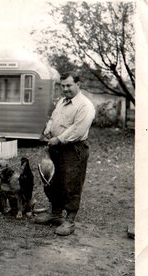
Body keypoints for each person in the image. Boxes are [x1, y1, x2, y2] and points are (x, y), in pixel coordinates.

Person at [34, 71, 96, 236]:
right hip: (56, 147)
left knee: (71, 183)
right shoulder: (62, 101)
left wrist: (59, 139)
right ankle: (55, 213)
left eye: (69, 85)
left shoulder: (85, 105)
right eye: (63, 86)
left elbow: (78, 129)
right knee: (54, 181)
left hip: (74, 149)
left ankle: (70, 220)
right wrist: (48, 130)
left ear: (78, 84)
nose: (65, 89)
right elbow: (54, 119)